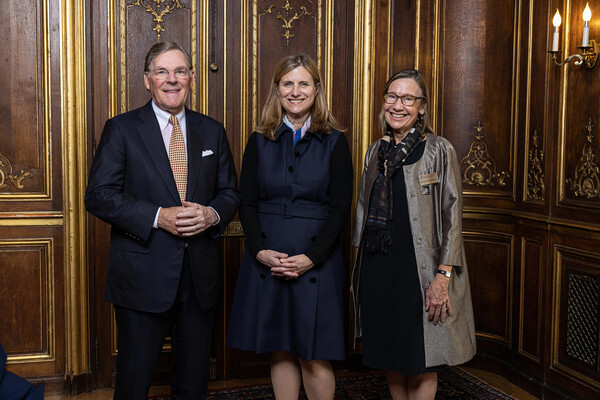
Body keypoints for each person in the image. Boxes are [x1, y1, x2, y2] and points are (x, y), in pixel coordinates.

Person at [85, 41, 240, 400]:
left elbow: (230, 192)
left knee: (192, 382)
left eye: (180, 71)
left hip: (199, 279)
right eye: (162, 72)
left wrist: (211, 214)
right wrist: (158, 217)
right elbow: (98, 195)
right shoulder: (121, 129)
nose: (172, 80)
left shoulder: (212, 130)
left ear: (191, 78)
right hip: (142, 280)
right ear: (147, 80)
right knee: (134, 383)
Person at [227, 54, 353, 400]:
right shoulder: (259, 140)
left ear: (316, 90)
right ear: (277, 90)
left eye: (303, 83)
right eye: (287, 84)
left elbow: (340, 209)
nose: (295, 91)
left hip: (316, 261)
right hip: (267, 259)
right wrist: (259, 250)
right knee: (279, 347)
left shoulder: (335, 141)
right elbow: (247, 202)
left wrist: (312, 257)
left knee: (313, 353)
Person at [351, 69, 476, 400]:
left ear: (422, 107)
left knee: (422, 362)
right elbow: (363, 213)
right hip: (380, 269)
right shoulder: (375, 151)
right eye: (392, 96)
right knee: (392, 356)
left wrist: (443, 276)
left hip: (421, 273)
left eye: (408, 98)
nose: (398, 105)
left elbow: (453, 217)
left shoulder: (438, 149)